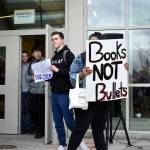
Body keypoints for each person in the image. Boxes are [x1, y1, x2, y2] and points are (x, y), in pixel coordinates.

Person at [67, 32, 109, 150]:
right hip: (86, 99)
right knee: (79, 130)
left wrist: (123, 69)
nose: (93, 43)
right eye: (90, 41)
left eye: (95, 41)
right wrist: (81, 74)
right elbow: (71, 77)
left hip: (102, 99)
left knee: (99, 131)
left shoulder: (108, 57)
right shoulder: (82, 57)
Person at [49, 31, 75, 150]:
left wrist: (57, 70)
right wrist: (45, 76)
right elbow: (53, 76)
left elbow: (74, 73)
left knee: (69, 121)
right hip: (54, 94)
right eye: (52, 39)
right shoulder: (53, 58)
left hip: (65, 94)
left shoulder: (68, 54)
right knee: (58, 122)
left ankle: (78, 141)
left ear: (62, 40)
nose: (54, 41)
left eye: (56, 39)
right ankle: (62, 144)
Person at [25, 46, 45, 139]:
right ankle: (38, 127)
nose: (37, 53)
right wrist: (32, 77)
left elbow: (50, 76)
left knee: (41, 112)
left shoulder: (46, 62)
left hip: (42, 91)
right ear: (33, 54)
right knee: (31, 109)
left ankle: (40, 131)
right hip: (33, 91)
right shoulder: (31, 64)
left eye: (39, 52)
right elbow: (26, 77)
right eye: (35, 52)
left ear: (41, 53)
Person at [21, 50, 32, 134]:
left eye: (26, 56)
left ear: (28, 57)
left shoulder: (30, 65)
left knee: (28, 111)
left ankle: (28, 128)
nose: (24, 57)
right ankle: (22, 128)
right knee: (21, 111)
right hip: (20, 92)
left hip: (28, 91)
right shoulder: (18, 65)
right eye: (22, 56)